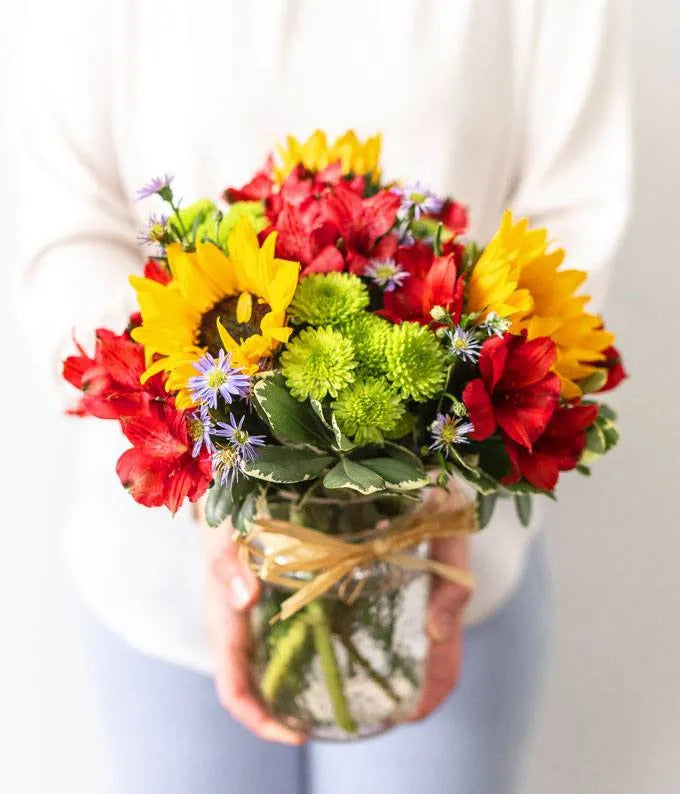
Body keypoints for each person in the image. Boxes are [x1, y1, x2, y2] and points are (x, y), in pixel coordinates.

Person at [14, 1, 630, 792]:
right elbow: (67, 231)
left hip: (444, 569)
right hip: (163, 569)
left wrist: (429, 485)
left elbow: (576, 214)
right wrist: (216, 473)